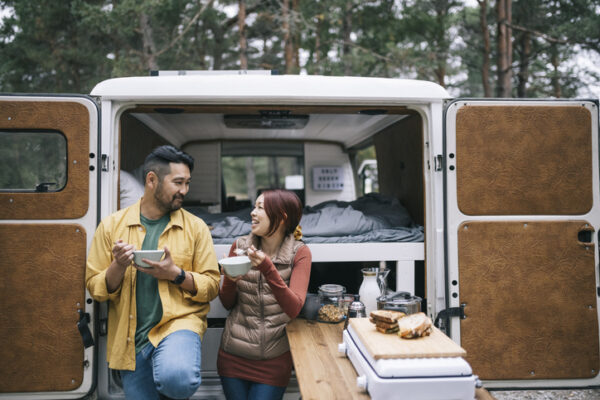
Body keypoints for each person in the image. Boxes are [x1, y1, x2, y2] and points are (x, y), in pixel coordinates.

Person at [86, 145, 220, 400]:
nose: (185, 190)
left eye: (187, 183)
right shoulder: (112, 226)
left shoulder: (196, 227)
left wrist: (176, 275)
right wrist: (118, 265)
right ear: (151, 180)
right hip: (131, 338)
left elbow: (212, 285)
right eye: (178, 182)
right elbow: (96, 288)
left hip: (178, 325)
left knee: (177, 380)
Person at [217, 189, 312, 400]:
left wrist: (269, 270)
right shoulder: (240, 246)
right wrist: (230, 282)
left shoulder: (300, 252)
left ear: (282, 217)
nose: (252, 212)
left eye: (260, 207)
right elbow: (227, 303)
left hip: (274, 360)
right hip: (233, 357)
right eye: (254, 206)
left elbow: (294, 308)